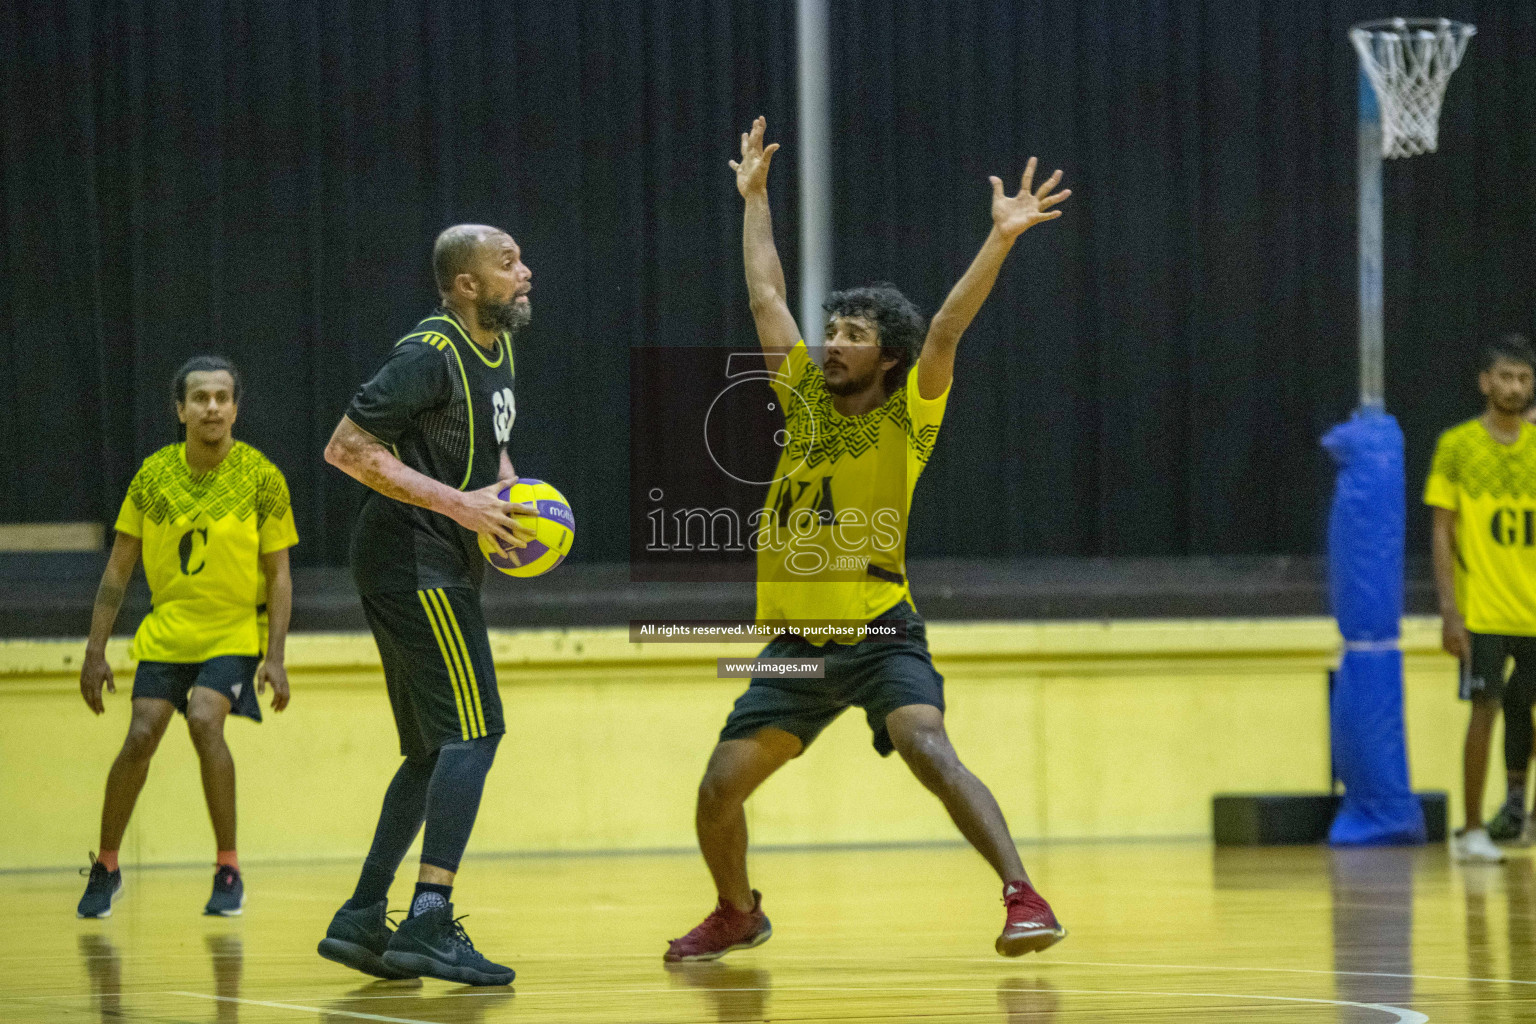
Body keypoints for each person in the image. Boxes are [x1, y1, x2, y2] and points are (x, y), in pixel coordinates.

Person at [664, 118, 1071, 962]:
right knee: (716, 792)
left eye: (854, 334)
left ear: (889, 358)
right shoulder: (804, 401)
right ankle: (737, 911)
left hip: (882, 631)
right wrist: (755, 199)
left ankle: (1022, 895)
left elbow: (951, 327)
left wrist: (999, 241)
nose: (834, 342)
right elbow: (766, 297)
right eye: (835, 329)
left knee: (926, 746)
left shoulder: (907, 419)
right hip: (795, 646)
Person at [317, 224, 534, 987]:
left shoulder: (497, 345)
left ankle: (361, 917)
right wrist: (461, 508)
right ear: (466, 284)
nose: (526, 272)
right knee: (475, 733)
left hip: (430, 557)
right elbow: (346, 449)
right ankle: (429, 920)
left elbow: (486, 457)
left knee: (432, 748)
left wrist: (512, 508)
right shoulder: (429, 352)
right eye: (508, 264)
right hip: (413, 559)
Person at [76, 356, 296, 917]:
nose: (212, 407)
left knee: (204, 718)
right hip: (167, 632)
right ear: (180, 410)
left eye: (222, 397)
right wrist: (94, 651)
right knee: (141, 734)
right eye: (200, 398)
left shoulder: (262, 478)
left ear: (236, 409)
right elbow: (118, 571)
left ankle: (228, 868)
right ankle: (106, 865)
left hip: (232, 633)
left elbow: (278, 573)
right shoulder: (152, 477)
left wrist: (275, 656)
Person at [1427, 333, 1536, 862]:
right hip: (1485, 610)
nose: (1514, 386)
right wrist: (1450, 611)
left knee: (1523, 705)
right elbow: (1442, 533)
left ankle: (1518, 810)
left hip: (1533, 609)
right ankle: (1472, 830)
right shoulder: (1458, 446)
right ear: (1485, 382)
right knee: (1484, 709)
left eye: (1523, 377)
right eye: (1506, 376)